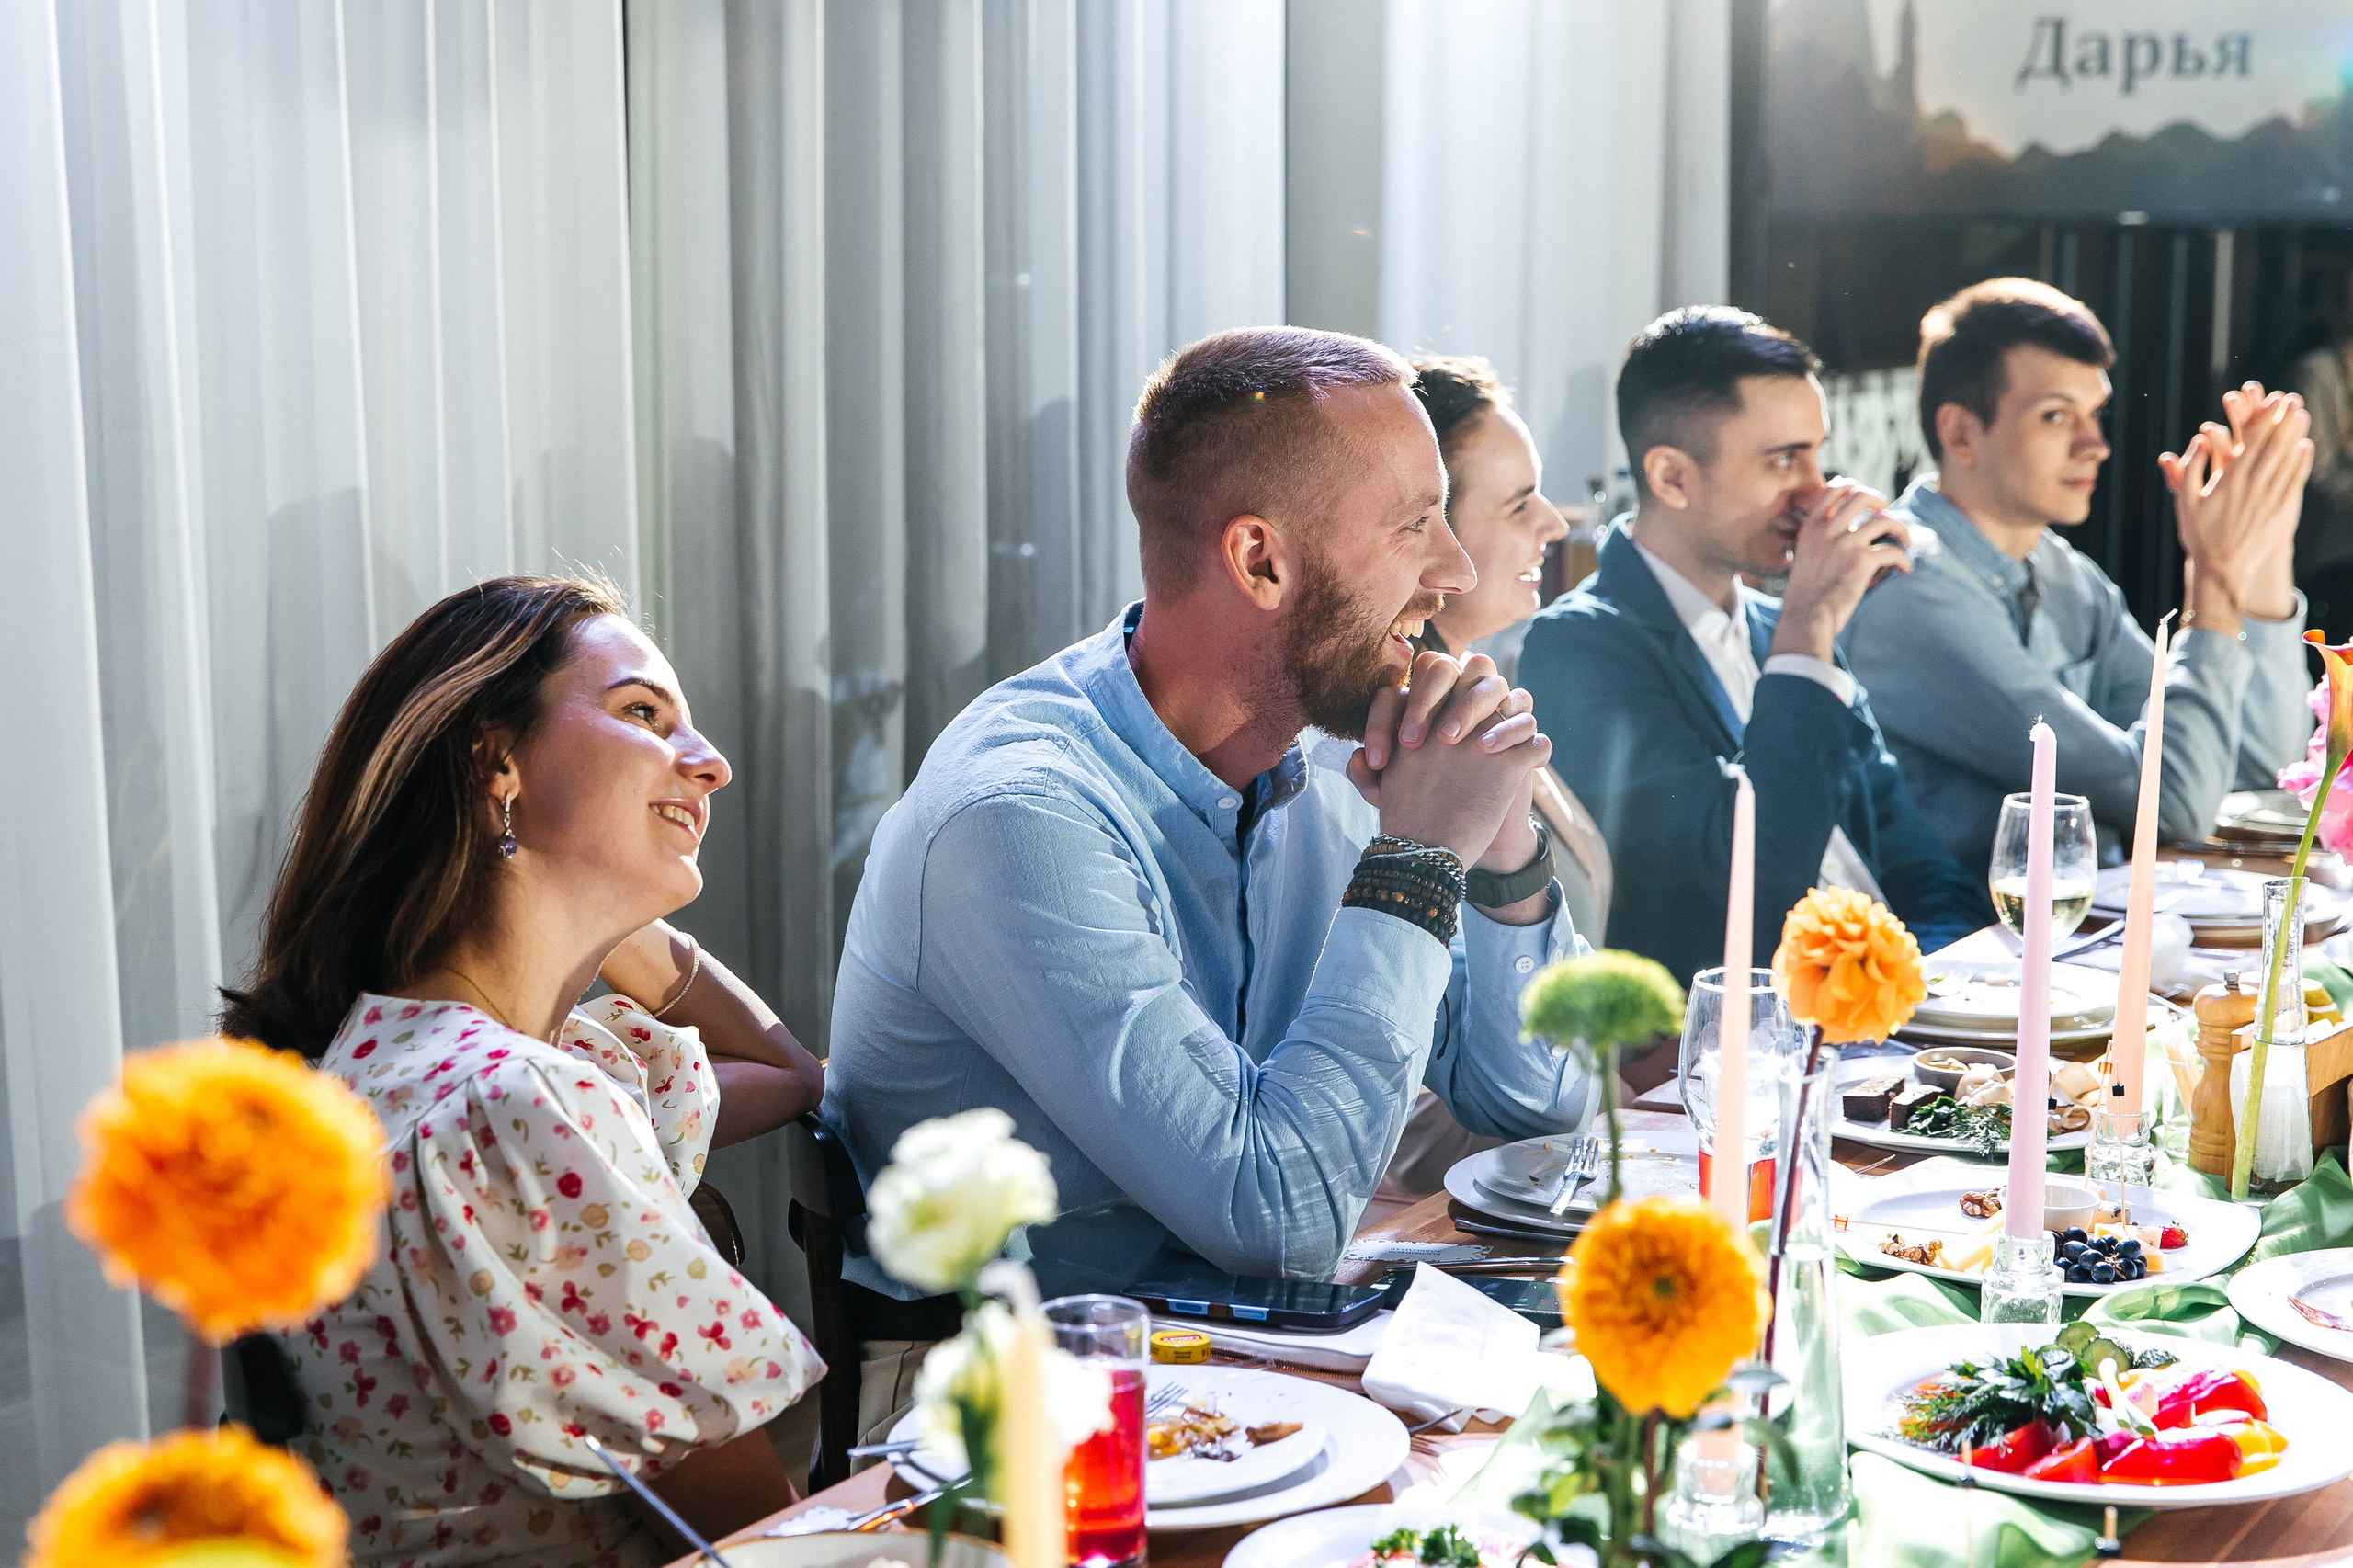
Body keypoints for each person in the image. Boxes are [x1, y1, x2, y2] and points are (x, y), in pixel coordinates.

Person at [823, 327, 1596, 1327]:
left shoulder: (1332, 752)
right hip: (1015, 1417)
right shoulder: (1018, 821)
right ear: (1260, 558)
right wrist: (1414, 860)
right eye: (1414, 525)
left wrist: (1495, 851)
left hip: (1253, 1368)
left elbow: (1540, 1109)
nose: (1451, 569)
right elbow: (1277, 1217)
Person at [222, 575, 826, 1568]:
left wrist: (609, 902)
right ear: (495, 760)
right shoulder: (512, 1107)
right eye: (644, 713)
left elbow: (787, 1071)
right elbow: (761, 1542)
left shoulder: (389, 1065)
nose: (710, 763)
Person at [1518, 307, 1987, 986]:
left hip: (1891, 1021)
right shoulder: (1580, 647)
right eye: (1784, 460)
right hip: (1751, 1046)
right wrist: (1808, 629)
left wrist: (1943, 987)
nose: (1816, 491)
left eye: (1817, 453)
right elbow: (1739, 882)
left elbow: (1917, 863)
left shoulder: (1780, 627)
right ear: (1672, 477)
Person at [1843, 278, 2314, 871]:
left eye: (2094, 414)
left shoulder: (2065, 573)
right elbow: (2171, 805)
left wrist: (2265, 546)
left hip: (2070, 940)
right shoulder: (1909, 586)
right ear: (1960, 432)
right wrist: (2214, 578)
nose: (2094, 444)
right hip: (1952, 949)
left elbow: (2255, 768)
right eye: (2056, 416)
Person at [1370, 355, 1612, 1213]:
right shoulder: (1379, 756)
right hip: (1430, 1214)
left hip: (1536, 1172)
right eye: (1518, 503)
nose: (1553, 523)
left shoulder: (1484, 699)